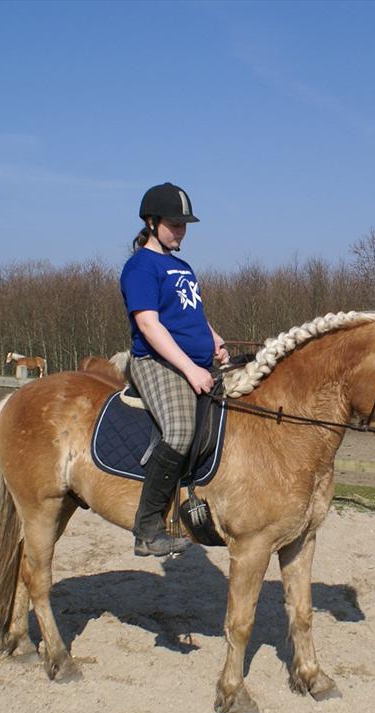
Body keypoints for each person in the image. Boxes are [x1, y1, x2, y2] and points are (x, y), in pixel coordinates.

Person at [120, 182, 229, 557]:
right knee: (181, 430)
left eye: (185, 224)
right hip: (157, 362)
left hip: (196, 361)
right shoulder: (140, 266)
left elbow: (193, 315)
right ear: (151, 222)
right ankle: (148, 528)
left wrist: (214, 340)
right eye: (174, 223)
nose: (181, 230)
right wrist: (191, 369)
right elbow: (149, 325)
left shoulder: (182, 267)